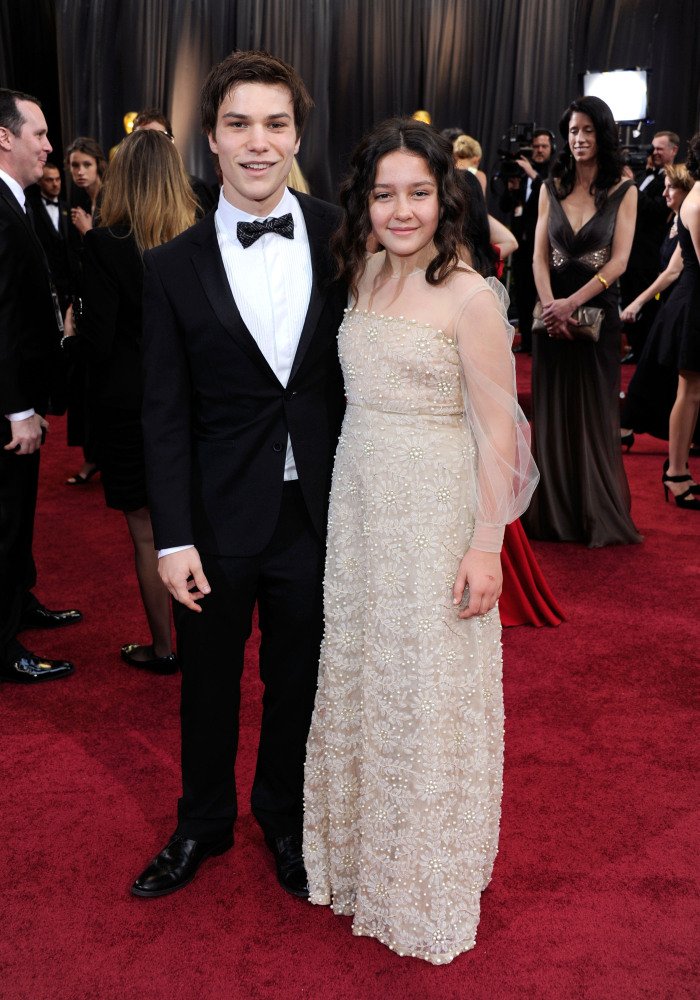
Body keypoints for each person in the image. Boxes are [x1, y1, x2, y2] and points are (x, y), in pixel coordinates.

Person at [303, 117, 538, 963]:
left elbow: (500, 435)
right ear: (363, 202)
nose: (400, 211)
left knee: (426, 688)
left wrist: (486, 546)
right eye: (383, 194)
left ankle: (426, 875)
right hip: (360, 506)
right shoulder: (359, 272)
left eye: (418, 193)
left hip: (434, 512)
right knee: (367, 673)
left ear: (446, 199)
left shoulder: (472, 296)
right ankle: (364, 857)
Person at [131, 50, 346, 900]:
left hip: (320, 512)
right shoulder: (169, 266)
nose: (260, 143)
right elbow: (163, 413)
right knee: (209, 686)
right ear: (210, 140)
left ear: (298, 135)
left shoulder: (342, 235)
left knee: (299, 679)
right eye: (239, 124)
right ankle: (202, 823)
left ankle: (284, 819)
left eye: (277, 124)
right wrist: (173, 536)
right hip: (215, 521)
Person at [61, 129, 198, 670]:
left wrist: (70, 336)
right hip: (195, 405)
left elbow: (98, 341)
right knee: (190, 528)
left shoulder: (105, 244)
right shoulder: (200, 237)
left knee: (147, 535)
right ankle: (201, 649)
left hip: (130, 407)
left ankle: (165, 649)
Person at [523, 96, 642, 547]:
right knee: (550, 415)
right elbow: (537, 255)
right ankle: (552, 514)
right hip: (551, 321)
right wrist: (552, 305)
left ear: (603, 134)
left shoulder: (623, 191)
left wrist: (571, 302)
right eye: (572, 131)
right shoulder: (551, 186)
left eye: (588, 130)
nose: (578, 139)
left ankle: (594, 514)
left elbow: (620, 261)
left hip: (595, 322)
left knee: (593, 415)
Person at [0, 88, 81, 683]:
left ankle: (18, 604)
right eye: (39, 135)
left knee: (19, 516)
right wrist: (16, 408)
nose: (49, 147)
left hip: (24, 398)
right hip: (8, 410)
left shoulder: (16, 202)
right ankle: (4, 647)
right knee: (4, 521)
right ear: (5, 137)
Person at [620, 164, 698, 448]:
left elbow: (672, 272)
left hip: (682, 308)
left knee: (660, 371)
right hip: (673, 307)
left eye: (671, 187)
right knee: (661, 373)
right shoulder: (673, 221)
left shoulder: (687, 220)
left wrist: (638, 301)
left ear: (687, 190)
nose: (664, 192)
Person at [659, 134, 700, 510]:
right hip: (696, 304)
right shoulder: (699, 200)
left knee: (691, 392)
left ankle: (678, 470)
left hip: (693, 299)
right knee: (689, 392)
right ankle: (675, 472)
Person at [64, 135, 107, 485]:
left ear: (99, 166)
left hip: (107, 308)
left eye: (86, 165)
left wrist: (89, 232)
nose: (79, 172)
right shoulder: (75, 203)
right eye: (74, 166)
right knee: (87, 387)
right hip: (83, 301)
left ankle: (103, 455)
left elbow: (112, 259)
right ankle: (93, 455)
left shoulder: (110, 201)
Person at [620, 130, 680, 362]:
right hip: (630, 250)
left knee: (645, 303)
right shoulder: (645, 175)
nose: (654, 152)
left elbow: (656, 212)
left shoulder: (672, 181)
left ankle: (644, 350)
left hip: (649, 253)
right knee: (628, 297)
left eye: (659, 148)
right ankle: (635, 347)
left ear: (673, 151)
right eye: (652, 148)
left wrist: (631, 185)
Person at [499, 129, 555, 352]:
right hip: (521, 246)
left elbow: (552, 194)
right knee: (522, 293)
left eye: (544, 146)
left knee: (540, 294)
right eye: (536, 146)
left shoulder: (551, 173)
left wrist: (533, 174)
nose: (539, 150)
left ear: (552, 148)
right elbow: (505, 206)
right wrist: (511, 189)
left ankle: (541, 340)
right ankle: (527, 341)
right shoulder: (521, 174)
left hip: (543, 247)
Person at [132, 108, 217, 215]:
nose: (151, 146)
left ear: (171, 142)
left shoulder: (196, 189)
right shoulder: (119, 190)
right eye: (142, 137)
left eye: (159, 137)